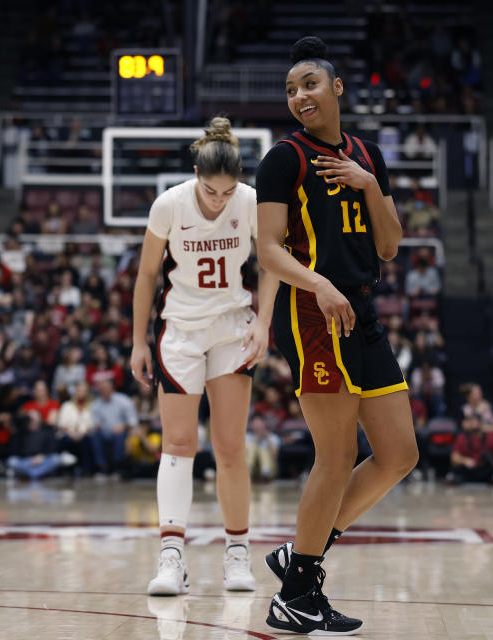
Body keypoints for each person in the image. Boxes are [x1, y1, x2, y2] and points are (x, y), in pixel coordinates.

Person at [254, 36, 418, 635]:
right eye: (292, 89)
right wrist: (317, 284)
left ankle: (301, 556)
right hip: (311, 315)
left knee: (400, 454)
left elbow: (390, 244)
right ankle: (296, 593)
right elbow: (268, 250)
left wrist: (367, 182)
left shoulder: (369, 154)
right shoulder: (283, 159)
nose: (300, 96)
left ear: (337, 88)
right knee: (338, 454)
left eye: (310, 84)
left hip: (363, 312)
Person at [129, 117, 280, 596]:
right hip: (180, 331)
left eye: (227, 191)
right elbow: (146, 275)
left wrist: (263, 320)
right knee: (176, 445)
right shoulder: (168, 205)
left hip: (232, 327)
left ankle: (238, 554)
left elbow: (272, 261)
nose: (219, 200)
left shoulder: (252, 202)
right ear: (196, 173)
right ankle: (171, 557)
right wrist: (136, 341)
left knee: (231, 447)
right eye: (211, 191)